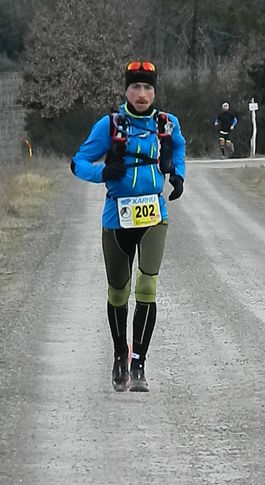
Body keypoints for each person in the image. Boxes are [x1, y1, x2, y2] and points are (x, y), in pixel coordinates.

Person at [70, 60, 186, 392]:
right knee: (118, 292)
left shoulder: (167, 123)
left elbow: (178, 146)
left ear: (154, 92)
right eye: (135, 87)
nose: (141, 94)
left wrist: (178, 175)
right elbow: (78, 162)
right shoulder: (109, 126)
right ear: (126, 90)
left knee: (147, 287)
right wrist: (102, 174)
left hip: (154, 216)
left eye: (148, 88)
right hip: (116, 218)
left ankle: (139, 363)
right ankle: (121, 353)